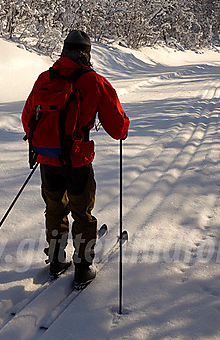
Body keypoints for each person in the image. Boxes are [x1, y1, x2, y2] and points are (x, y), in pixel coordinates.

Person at [22, 30, 130, 289]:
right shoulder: (94, 81)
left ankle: (57, 260)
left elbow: (27, 118)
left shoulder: (45, 78)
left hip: (48, 158)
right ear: (87, 53)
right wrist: (124, 127)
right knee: (82, 212)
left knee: (55, 208)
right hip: (77, 159)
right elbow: (117, 128)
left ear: (64, 50)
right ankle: (83, 267)